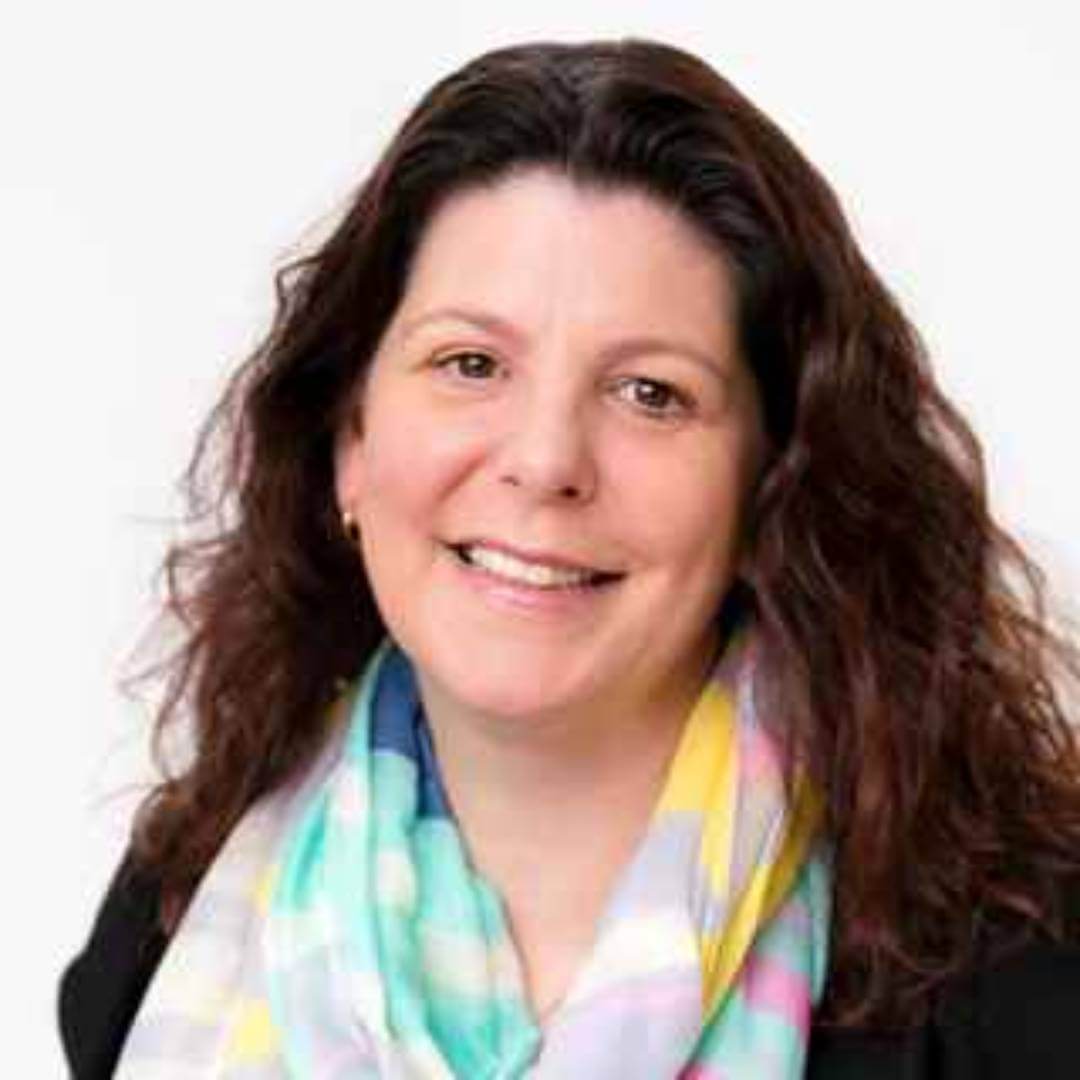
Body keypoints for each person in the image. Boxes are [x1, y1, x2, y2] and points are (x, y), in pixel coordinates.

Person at [60, 38, 1080, 1079]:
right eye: (470, 364)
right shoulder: (166, 924)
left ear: (774, 485)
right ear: (349, 444)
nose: (545, 461)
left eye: (651, 393)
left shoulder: (1019, 995)